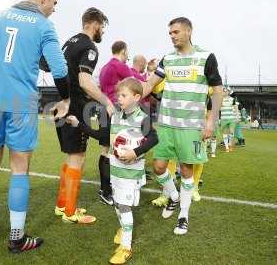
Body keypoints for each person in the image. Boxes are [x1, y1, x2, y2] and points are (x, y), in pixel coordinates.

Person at [0, 0, 70, 253]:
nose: (55, 9)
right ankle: (17, 237)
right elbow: (59, 69)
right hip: (19, 102)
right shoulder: (44, 25)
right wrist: (67, 98)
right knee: (19, 168)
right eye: (55, 3)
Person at [142, 17, 223, 235]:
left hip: (191, 127)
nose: (172, 36)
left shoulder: (206, 57)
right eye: (170, 33)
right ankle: (174, 197)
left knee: (186, 170)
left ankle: (183, 216)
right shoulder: (167, 59)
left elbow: (217, 90)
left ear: (188, 31)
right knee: (158, 167)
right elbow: (150, 83)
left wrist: (210, 121)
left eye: (176, 32)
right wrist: (132, 96)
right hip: (167, 124)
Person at [66, 77, 158, 264]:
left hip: (130, 173)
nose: (118, 99)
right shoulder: (115, 116)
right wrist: (79, 125)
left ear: (136, 96)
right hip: (116, 170)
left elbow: (154, 139)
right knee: (117, 203)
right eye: (118, 95)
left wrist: (135, 152)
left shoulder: (143, 118)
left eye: (123, 95)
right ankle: (124, 228)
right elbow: (102, 136)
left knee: (123, 206)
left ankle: (126, 247)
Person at [54, 7, 110, 224]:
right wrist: (107, 102)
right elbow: (85, 82)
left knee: (71, 158)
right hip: (75, 108)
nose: (102, 32)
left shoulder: (70, 41)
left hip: (63, 104)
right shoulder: (89, 46)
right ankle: (70, 212)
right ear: (95, 23)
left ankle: (62, 206)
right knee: (77, 158)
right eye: (102, 27)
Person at [97, 41, 147, 205]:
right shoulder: (120, 66)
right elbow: (137, 85)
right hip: (117, 112)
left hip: (104, 108)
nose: (127, 57)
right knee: (118, 148)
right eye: (127, 53)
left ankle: (105, 190)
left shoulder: (104, 67)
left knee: (106, 150)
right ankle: (113, 188)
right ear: (124, 51)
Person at [220, 87, 236, 152]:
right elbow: (219, 109)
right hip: (223, 118)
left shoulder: (232, 99)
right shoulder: (220, 99)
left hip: (231, 118)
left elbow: (235, 108)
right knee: (225, 133)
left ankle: (230, 144)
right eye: (224, 91)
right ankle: (226, 147)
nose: (225, 92)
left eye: (226, 91)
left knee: (231, 131)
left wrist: (237, 117)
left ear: (229, 92)